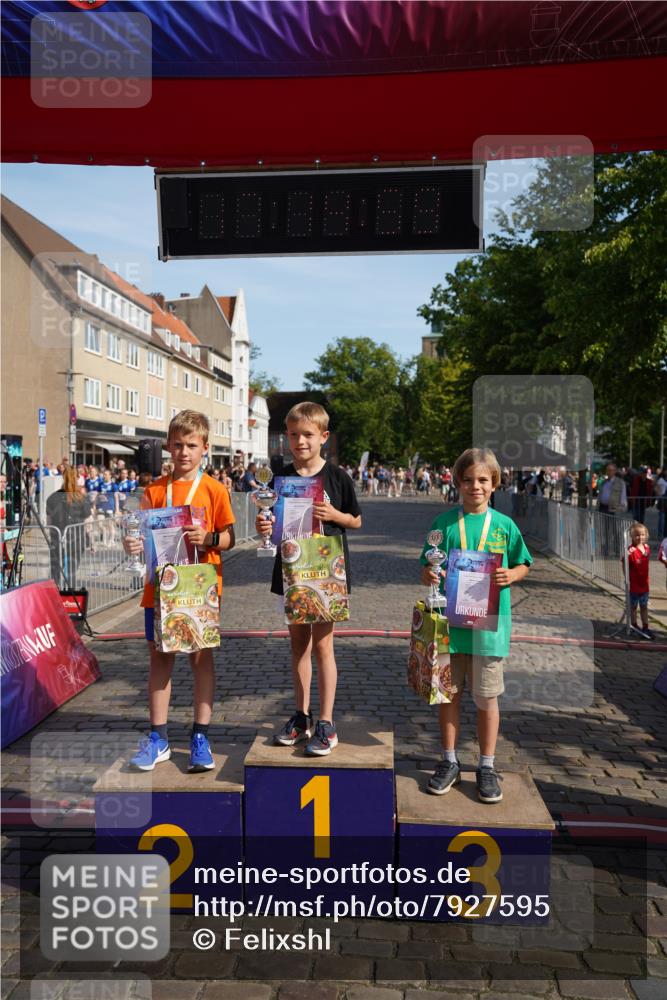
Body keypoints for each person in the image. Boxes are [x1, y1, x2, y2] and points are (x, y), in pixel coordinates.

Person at [123, 410, 236, 772]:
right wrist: (133, 546)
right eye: (178, 445)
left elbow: (229, 537)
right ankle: (158, 738)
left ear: (205, 447)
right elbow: (141, 536)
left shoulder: (214, 489)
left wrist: (209, 538)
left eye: (192, 445)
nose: (184, 452)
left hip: (200, 587)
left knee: (200, 660)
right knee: (160, 660)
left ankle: (200, 736)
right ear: (169, 447)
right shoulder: (155, 490)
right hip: (159, 589)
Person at [419, 447, 532, 803]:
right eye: (468, 480)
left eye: (482, 480)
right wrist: (428, 572)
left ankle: (486, 764)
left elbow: (523, 563)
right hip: (450, 629)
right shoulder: (443, 525)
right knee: (449, 696)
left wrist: (511, 574)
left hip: (489, 631)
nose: (475, 487)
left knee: (486, 698)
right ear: (457, 483)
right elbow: (428, 566)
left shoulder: (504, 526)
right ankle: (450, 760)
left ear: (494, 483)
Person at [255, 402, 361, 756]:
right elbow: (272, 530)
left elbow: (356, 520)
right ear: (287, 437)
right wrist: (264, 528)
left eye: (308, 435)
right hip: (292, 568)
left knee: (323, 646)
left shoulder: (337, 477)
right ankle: (302, 717)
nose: (301, 441)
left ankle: (327, 723)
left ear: (323, 437)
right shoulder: (279, 478)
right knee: (298, 645)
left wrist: (335, 514)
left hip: (327, 569)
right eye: (294, 435)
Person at [46, 466, 92, 588]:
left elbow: (48, 521)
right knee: (71, 571)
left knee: (55, 570)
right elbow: (87, 518)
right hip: (76, 539)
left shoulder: (52, 497)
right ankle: (69, 598)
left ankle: (55, 596)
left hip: (57, 538)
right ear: (77, 478)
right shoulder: (81, 497)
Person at [624, 522, 653, 639]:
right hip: (634, 585)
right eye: (637, 535)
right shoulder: (630, 551)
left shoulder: (647, 548)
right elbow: (624, 564)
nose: (640, 537)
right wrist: (626, 579)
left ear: (646, 535)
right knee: (633, 607)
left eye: (642, 535)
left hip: (644, 585)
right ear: (632, 536)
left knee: (644, 606)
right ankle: (634, 625)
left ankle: (645, 626)